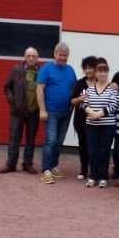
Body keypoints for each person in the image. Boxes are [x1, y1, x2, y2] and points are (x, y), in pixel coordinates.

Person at [37, 42, 77, 184]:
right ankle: (46, 170)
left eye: (65, 56)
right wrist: (42, 110)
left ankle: (53, 166)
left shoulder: (70, 70)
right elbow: (39, 89)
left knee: (59, 142)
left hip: (66, 112)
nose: (63, 58)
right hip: (51, 111)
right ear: (55, 54)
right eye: (60, 55)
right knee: (51, 141)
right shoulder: (46, 68)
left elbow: (75, 89)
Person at [0, 47, 42, 174]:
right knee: (14, 138)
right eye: (29, 56)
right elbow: (7, 87)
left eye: (34, 56)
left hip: (34, 111)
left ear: (37, 58)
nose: (31, 58)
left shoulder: (42, 72)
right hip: (18, 111)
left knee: (31, 139)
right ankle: (11, 164)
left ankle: (27, 164)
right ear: (25, 57)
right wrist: (12, 101)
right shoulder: (16, 70)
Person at [82, 58, 117, 188]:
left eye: (104, 71)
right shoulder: (89, 89)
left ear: (107, 73)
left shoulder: (112, 89)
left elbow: (113, 105)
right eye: (99, 71)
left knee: (104, 152)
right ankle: (92, 176)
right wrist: (91, 112)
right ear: (95, 73)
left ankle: (103, 177)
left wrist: (99, 114)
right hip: (91, 126)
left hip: (107, 126)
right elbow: (84, 104)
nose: (102, 73)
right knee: (92, 151)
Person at [70, 56, 98, 180]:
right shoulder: (80, 83)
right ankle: (84, 169)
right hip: (80, 120)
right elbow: (72, 101)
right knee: (83, 145)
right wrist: (80, 99)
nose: (88, 70)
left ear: (96, 68)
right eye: (85, 68)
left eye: (90, 68)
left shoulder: (101, 82)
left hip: (97, 120)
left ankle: (95, 169)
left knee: (95, 146)